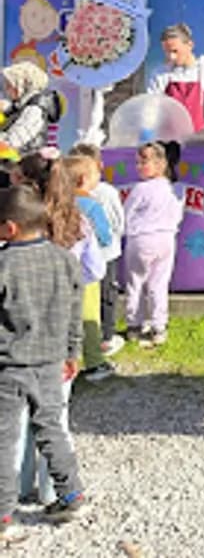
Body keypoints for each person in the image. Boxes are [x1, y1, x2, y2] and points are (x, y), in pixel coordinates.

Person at [0, 184, 85, 538]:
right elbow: (75, 309)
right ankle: (71, 492)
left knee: (4, 438)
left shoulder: (3, 263)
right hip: (52, 360)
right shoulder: (64, 258)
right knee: (51, 428)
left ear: (9, 228)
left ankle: (3, 512)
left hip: (9, 363)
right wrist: (73, 350)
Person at [67, 143, 125, 372]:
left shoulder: (60, 201)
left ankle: (69, 357)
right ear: (83, 180)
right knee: (90, 314)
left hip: (65, 269)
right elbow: (104, 235)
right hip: (89, 268)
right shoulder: (91, 204)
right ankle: (94, 362)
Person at [123, 142, 185, 348]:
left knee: (135, 283)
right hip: (166, 239)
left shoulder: (140, 189)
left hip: (141, 239)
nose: (139, 166)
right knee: (159, 284)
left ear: (161, 164)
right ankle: (159, 326)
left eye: (144, 162)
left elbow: (126, 214)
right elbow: (178, 215)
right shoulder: (176, 189)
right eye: (138, 162)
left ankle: (135, 323)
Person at [146, 23, 204, 133]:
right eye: (166, 52)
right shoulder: (160, 74)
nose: (171, 57)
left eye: (175, 51)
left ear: (190, 45)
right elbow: (151, 107)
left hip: (202, 138)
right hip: (170, 138)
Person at [0, 64, 62, 159]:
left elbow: (13, 140)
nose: (7, 90)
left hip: (26, 166)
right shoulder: (25, 104)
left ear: (22, 85)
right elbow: (13, 110)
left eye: (9, 86)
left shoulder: (34, 109)